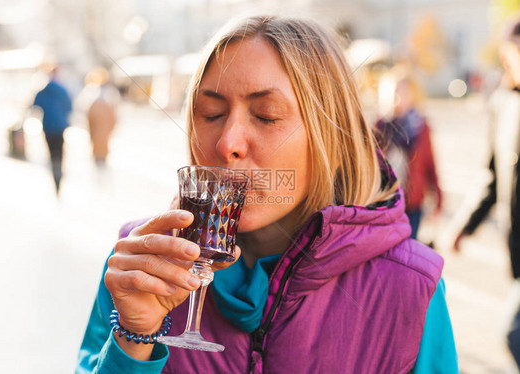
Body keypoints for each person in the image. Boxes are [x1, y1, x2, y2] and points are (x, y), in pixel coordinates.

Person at [77, 15, 457, 373]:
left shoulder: (412, 287)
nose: (228, 143)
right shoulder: (139, 260)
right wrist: (133, 339)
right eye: (210, 113)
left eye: (267, 116)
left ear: (332, 135)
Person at [453, 14, 520, 368]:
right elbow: (492, 176)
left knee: (514, 332)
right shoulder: (503, 102)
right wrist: (465, 224)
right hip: (517, 247)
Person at [375, 67, 443, 240]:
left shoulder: (421, 125)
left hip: (412, 201)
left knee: (407, 252)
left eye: (404, 92)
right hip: (384, 201)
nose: (399, 97)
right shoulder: (380, 124)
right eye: (395, 91)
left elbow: (430, 164)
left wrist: (438, 199)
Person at [33, 66, 72, 193]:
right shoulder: (62, 90)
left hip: (48, 126)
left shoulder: (43, 90)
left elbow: (35, 105)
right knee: (60, 150)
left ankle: (55, 167)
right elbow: (69, 107)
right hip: (60, 126)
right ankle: (58, 167)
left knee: (51, 150)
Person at [81, 66, 120, 168]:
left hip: (105, 121)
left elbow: (115, 107)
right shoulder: (91, 90)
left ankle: (101, 158)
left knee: (103, 141)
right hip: (96, 121)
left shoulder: (109, 91)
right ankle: (98, 158)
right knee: (97, 141)